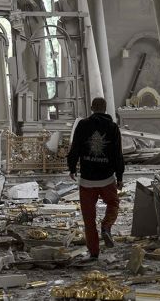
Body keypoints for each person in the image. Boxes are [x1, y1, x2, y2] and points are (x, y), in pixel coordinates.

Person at [67, 97, 123, 260]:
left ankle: (93, 252)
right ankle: (106, 225)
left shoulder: (83, 125)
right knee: (113, 204)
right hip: (107, 178)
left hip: (87, 181)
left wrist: (72, 167)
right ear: (105, 109)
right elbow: (117, 155)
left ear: (92, 108)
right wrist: (119, 176)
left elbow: (75, 147)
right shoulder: (113, 127)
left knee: (89, 218)